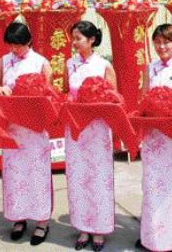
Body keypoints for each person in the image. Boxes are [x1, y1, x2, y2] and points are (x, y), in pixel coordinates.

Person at [0, 22, 53, 246]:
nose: (13, 50)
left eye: (17, 46)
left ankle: (42, 221)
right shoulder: (4, 61)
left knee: (37, 174)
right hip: (13, 129)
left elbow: (49, 97)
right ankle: (19, 217)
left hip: (34, 130)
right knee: (15, 175)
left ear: (28, 42)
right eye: (10, 46)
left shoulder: (41, 63)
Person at [136, 24, 172, 252]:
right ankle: (151, 237)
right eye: (158, 42)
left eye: (166, 42)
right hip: (154, 138)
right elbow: (143, 98)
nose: (162, 47)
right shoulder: (149, 69)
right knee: (152, 186)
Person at [64, 21, 117, 252]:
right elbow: (67, 92)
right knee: (77, 177)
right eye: (73, 38)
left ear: (92, 39)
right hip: (76, 129)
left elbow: (114, 98)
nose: (74, 43)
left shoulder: (104, 65)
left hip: (97, 130)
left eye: (79, 38)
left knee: (98, 177)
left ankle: (99, 228)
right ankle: (82, 226)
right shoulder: (69, 64)